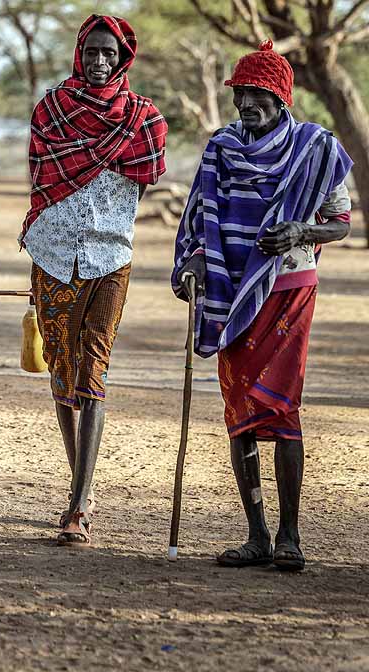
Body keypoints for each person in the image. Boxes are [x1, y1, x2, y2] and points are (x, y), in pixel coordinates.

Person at [172, 41, 352, 572]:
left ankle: (290, 536)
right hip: (231, 292)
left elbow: (340, 224)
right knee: (241, 412)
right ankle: (256, 535)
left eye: (258, 93)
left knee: (281, 404)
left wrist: (301, 228)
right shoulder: (221, 148)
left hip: (290, 289)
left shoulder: (315, 149)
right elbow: (201, 217)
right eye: (241, 93)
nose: (247, 103)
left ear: (281, 97)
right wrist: (197, 259)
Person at [21, 15, 167, 546]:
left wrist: (104, 213)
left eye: (110, 53)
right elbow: (42, 177)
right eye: (93, 52)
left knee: (94, 371)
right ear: (80, 52)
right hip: (53, 252)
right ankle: (78, 481)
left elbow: (145, 180)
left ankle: (79, 504)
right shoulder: (51, 110)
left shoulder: (144, 120)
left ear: (124, 56)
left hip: (111, 257)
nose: (100, 61)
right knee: (62, 370)